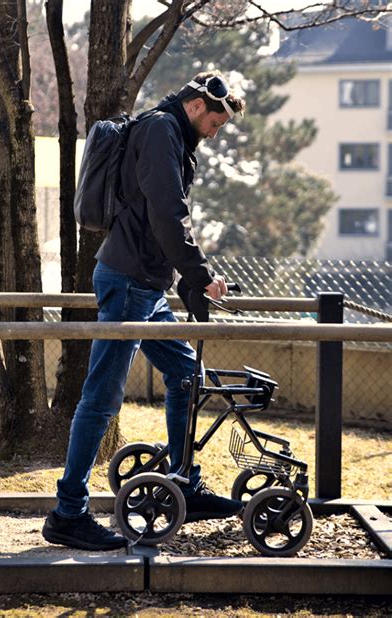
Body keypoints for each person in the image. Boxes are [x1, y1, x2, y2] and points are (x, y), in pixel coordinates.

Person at [43, 70, 246, 551]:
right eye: (216, 123)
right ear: (198, 106)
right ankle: (67, 513)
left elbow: (163, 216)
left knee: (183, 374)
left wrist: (185, 277)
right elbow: (167, 211)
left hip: (147, 285)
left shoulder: (173, 132)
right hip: (129, 281)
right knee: (102, 397)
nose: (216, 133)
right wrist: (198, 275)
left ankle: (182, 483)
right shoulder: (161, 130)